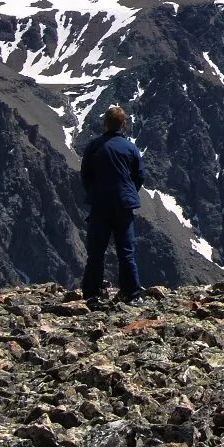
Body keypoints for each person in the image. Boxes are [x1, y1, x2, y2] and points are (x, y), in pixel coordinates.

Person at [80, 104, 145, 304]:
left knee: (96, 251)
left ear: (105, 124)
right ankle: (131, 294)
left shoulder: (94, 146)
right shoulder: (131, 148)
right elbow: (139, 176)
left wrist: (94, 193)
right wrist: (128, 192)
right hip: (123, 206)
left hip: (100, 205)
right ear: (123, 125)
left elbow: (85, 175)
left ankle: (92, 294)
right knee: (126, 251)